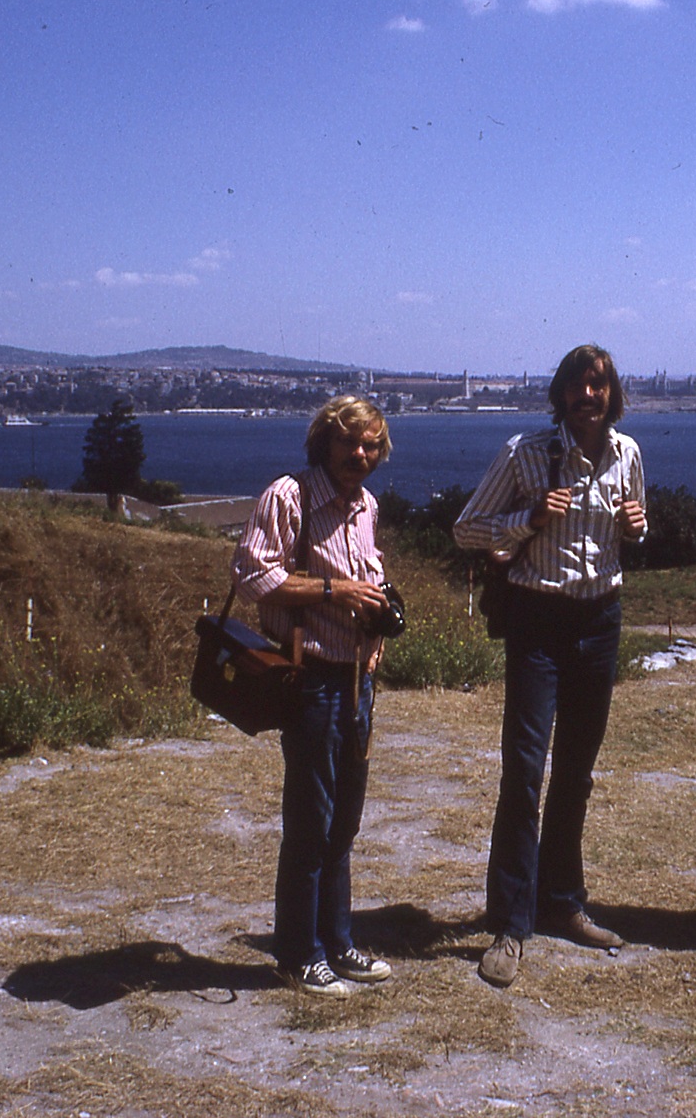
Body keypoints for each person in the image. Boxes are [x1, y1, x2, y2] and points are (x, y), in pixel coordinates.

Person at [453, 344, 647, 988]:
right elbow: (466, 529)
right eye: (577, 387)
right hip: (538, 622)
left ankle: (563, 903)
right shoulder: (525, 453)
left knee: (577, 772)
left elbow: (628, 530)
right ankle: (510, 922)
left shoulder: (628, 455)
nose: (588, 397)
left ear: (612, 396)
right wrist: (526, 519)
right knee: (526, 768)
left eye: (599, 387)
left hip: (599, 622)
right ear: (561, 394)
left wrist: (637, 527)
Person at [233, 395, 397, 998]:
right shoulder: (290, 496)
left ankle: (338, 942)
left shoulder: (365, 505)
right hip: (314, 681)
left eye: (371, 445)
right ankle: (298, 953)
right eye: (349, 442)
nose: (360, 454)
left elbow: (367, 577)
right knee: (311, 821)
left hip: (358, 681)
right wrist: (335, 593)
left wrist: (376, 618)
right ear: (324, 442)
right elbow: (253, 576)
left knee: (344, 823)